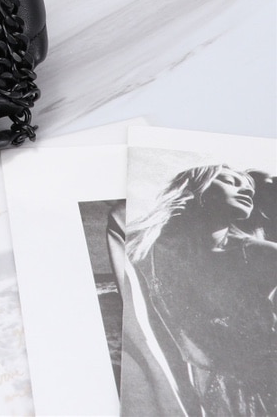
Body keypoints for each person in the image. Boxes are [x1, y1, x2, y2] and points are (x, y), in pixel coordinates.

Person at [113, 165, 277, 415]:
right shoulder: (147, 249)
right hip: (194, 386)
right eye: (230, 181)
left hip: (263, 388)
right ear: (196, 190)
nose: (246, 190)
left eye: (249, 189)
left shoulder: (260, 254)